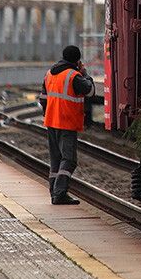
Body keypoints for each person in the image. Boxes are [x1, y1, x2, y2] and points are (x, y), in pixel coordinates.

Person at [43, 45, 94, 206]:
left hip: (51, 121)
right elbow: (91, 91)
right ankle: (59, 193)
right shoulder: (74, 76)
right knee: (69, 160)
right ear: (77, 60)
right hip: (67, 122)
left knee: (56, 160)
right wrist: (86, 74)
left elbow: (42, 98)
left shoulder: (50, 74)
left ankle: (54, 192)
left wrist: (48, 113)